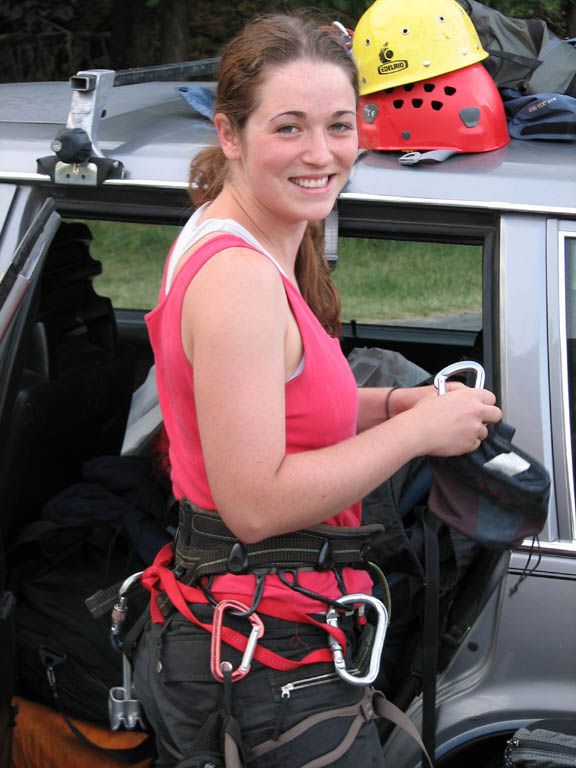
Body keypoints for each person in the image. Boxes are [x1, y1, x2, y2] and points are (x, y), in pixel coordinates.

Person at [131, 12, 502, 768]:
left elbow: (286, 405)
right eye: (289, 128)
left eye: (339, 125)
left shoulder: (240, 232)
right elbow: (256, 502)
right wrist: (417, 434)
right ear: (230, 133)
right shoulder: (238, 280)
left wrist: (398, 402)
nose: (321, 154)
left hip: (268, 634)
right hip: (267, 662)